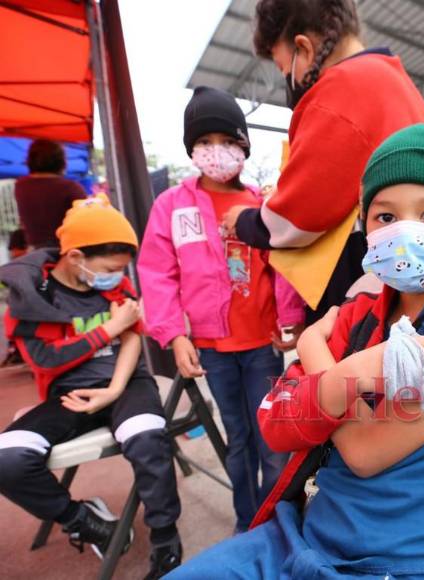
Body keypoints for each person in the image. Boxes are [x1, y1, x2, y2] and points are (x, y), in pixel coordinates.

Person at [168, 125, 424, 579]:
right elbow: (276, 424)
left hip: (394, 566)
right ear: (365, 227)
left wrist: (322, 359)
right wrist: (347, 371)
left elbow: (365, 453)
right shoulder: (359, 315)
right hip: (304, 538)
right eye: (386, 217)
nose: (407, 229)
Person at [137, 86, 306, 534]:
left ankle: (274, 523)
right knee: (238, 441)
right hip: (212, 347)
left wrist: (290, 320)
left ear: (244, 147)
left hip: (262, 346)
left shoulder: (262, 205)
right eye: (206, 142)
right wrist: (174, 335)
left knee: (272, 437)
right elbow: (157, 274)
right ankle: (247, 524)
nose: (218, 152)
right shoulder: (172, 207)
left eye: (229, 141)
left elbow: (284, 266)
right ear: (192, 150)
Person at [0, 195, 182, 578]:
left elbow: (132, 337)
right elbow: (47, 359)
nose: (117, 277)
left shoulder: (114, 284)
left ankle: (166, 541)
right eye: (111, 269)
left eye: (121, 270)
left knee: (147, 435)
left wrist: (115, 388)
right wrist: (107, 330)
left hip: (126, 382)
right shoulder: (33, 296)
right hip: (70, 393)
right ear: (76, 256)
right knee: (8, 458)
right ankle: (83, 519)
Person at [222, 0, 424, 325]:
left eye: (283, 68)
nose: (286, 79)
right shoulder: (394, 80)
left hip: (361, 281)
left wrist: (246, 220)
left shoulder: (340, 91)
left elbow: (299, 217)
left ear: (303, 47)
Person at [14, 139, 88, 248]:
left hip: (35, 251)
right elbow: (87, 220)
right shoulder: (70, 187)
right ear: (61, 161)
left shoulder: (21, 185)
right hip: (66, 249)